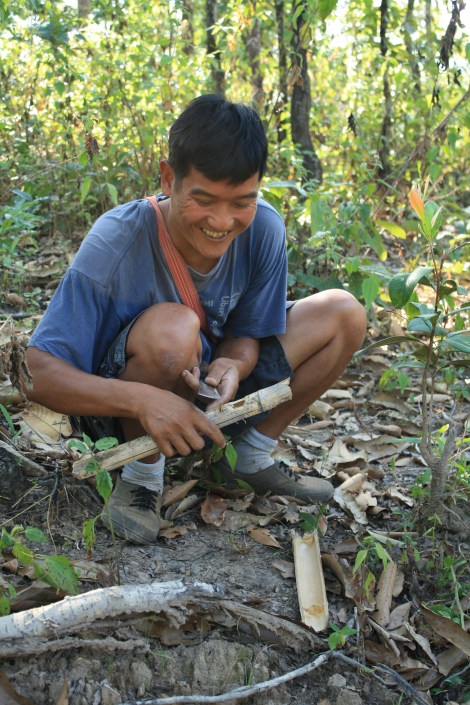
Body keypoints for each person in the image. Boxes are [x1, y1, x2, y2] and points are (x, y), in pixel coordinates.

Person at [26, 94, 367, 544]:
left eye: (242, 201)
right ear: (169, 178)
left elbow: (246, 333)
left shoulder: (264, 228)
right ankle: (142, 477)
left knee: (344, 314)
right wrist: (143, 401)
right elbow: (37, 373)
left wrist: (234, 365)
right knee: (174, 328)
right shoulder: (116, 240)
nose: (222, 221)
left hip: (208, 400)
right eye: (204, 200)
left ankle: (248, 457)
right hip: (124, 411)